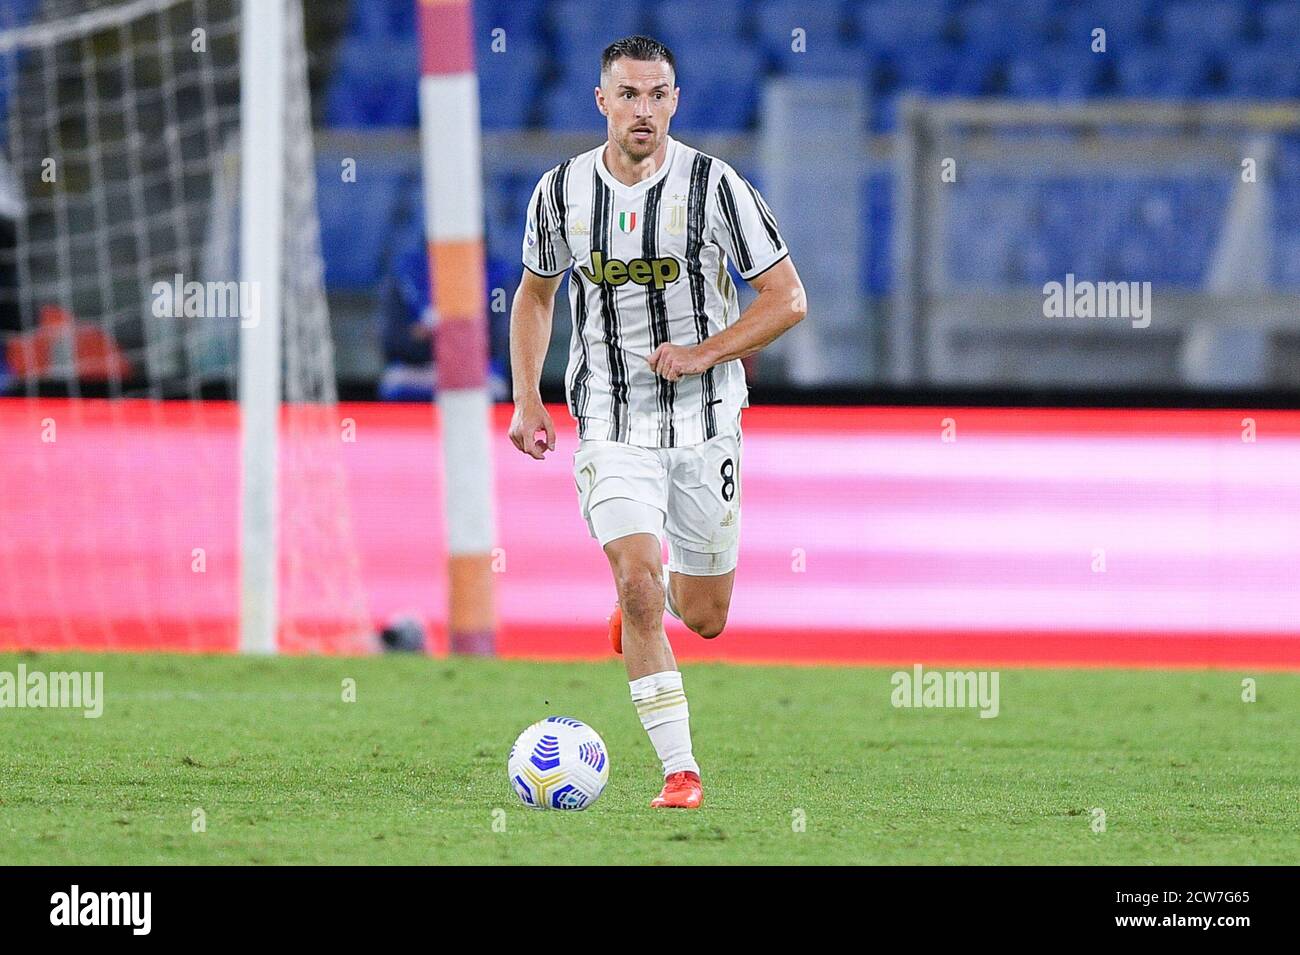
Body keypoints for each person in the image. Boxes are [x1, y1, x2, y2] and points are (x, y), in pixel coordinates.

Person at [507, 36, 807, 809]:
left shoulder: (716, 188)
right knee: (639, 585)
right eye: (629, 94)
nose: (644, 109)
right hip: (609, 419)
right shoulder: (562, 193)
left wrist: (704, 353)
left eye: (658, 94)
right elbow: (536, 296)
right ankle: (681, 770)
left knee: (704, 616)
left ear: (676, 100)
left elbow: (787, 299)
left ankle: (646, 600)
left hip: (707, 425)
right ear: (601, 101)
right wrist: (527, 398)